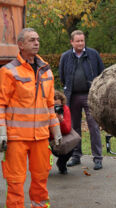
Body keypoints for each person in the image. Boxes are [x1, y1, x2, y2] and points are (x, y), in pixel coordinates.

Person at [0, 27, 61, 208]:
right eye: (32, 40)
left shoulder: (46, 70)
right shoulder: (8, 71)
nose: (37, 43)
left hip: (41, 138)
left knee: (41, 181)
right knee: (15, 183)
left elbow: (50, 105)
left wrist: (56, 130)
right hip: (16, 138)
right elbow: (1, 104)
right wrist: (2, 133)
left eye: (38, 39)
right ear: (20, 44)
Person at [59, 30, 104, 170]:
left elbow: (101, 72)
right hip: (72, 96)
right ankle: (76, 156)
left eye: (82, 40)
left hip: (91, 95)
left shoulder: (93, 54)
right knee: (74, 127)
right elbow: (62, 76)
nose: (80, 43)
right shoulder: (65, 57)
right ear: (71, 42)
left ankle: (97, 158)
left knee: (94, 127)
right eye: (77, 41)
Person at [52, 90, 74, 175]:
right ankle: (43, 168)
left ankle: (61, 163)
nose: (56, 108)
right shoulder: (45, 110)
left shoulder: (65, 109)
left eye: (58, 106)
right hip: (48, 138)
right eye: (54, 106)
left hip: (61, 137)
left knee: (71, 145)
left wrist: (61, 120)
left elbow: (67, 129)